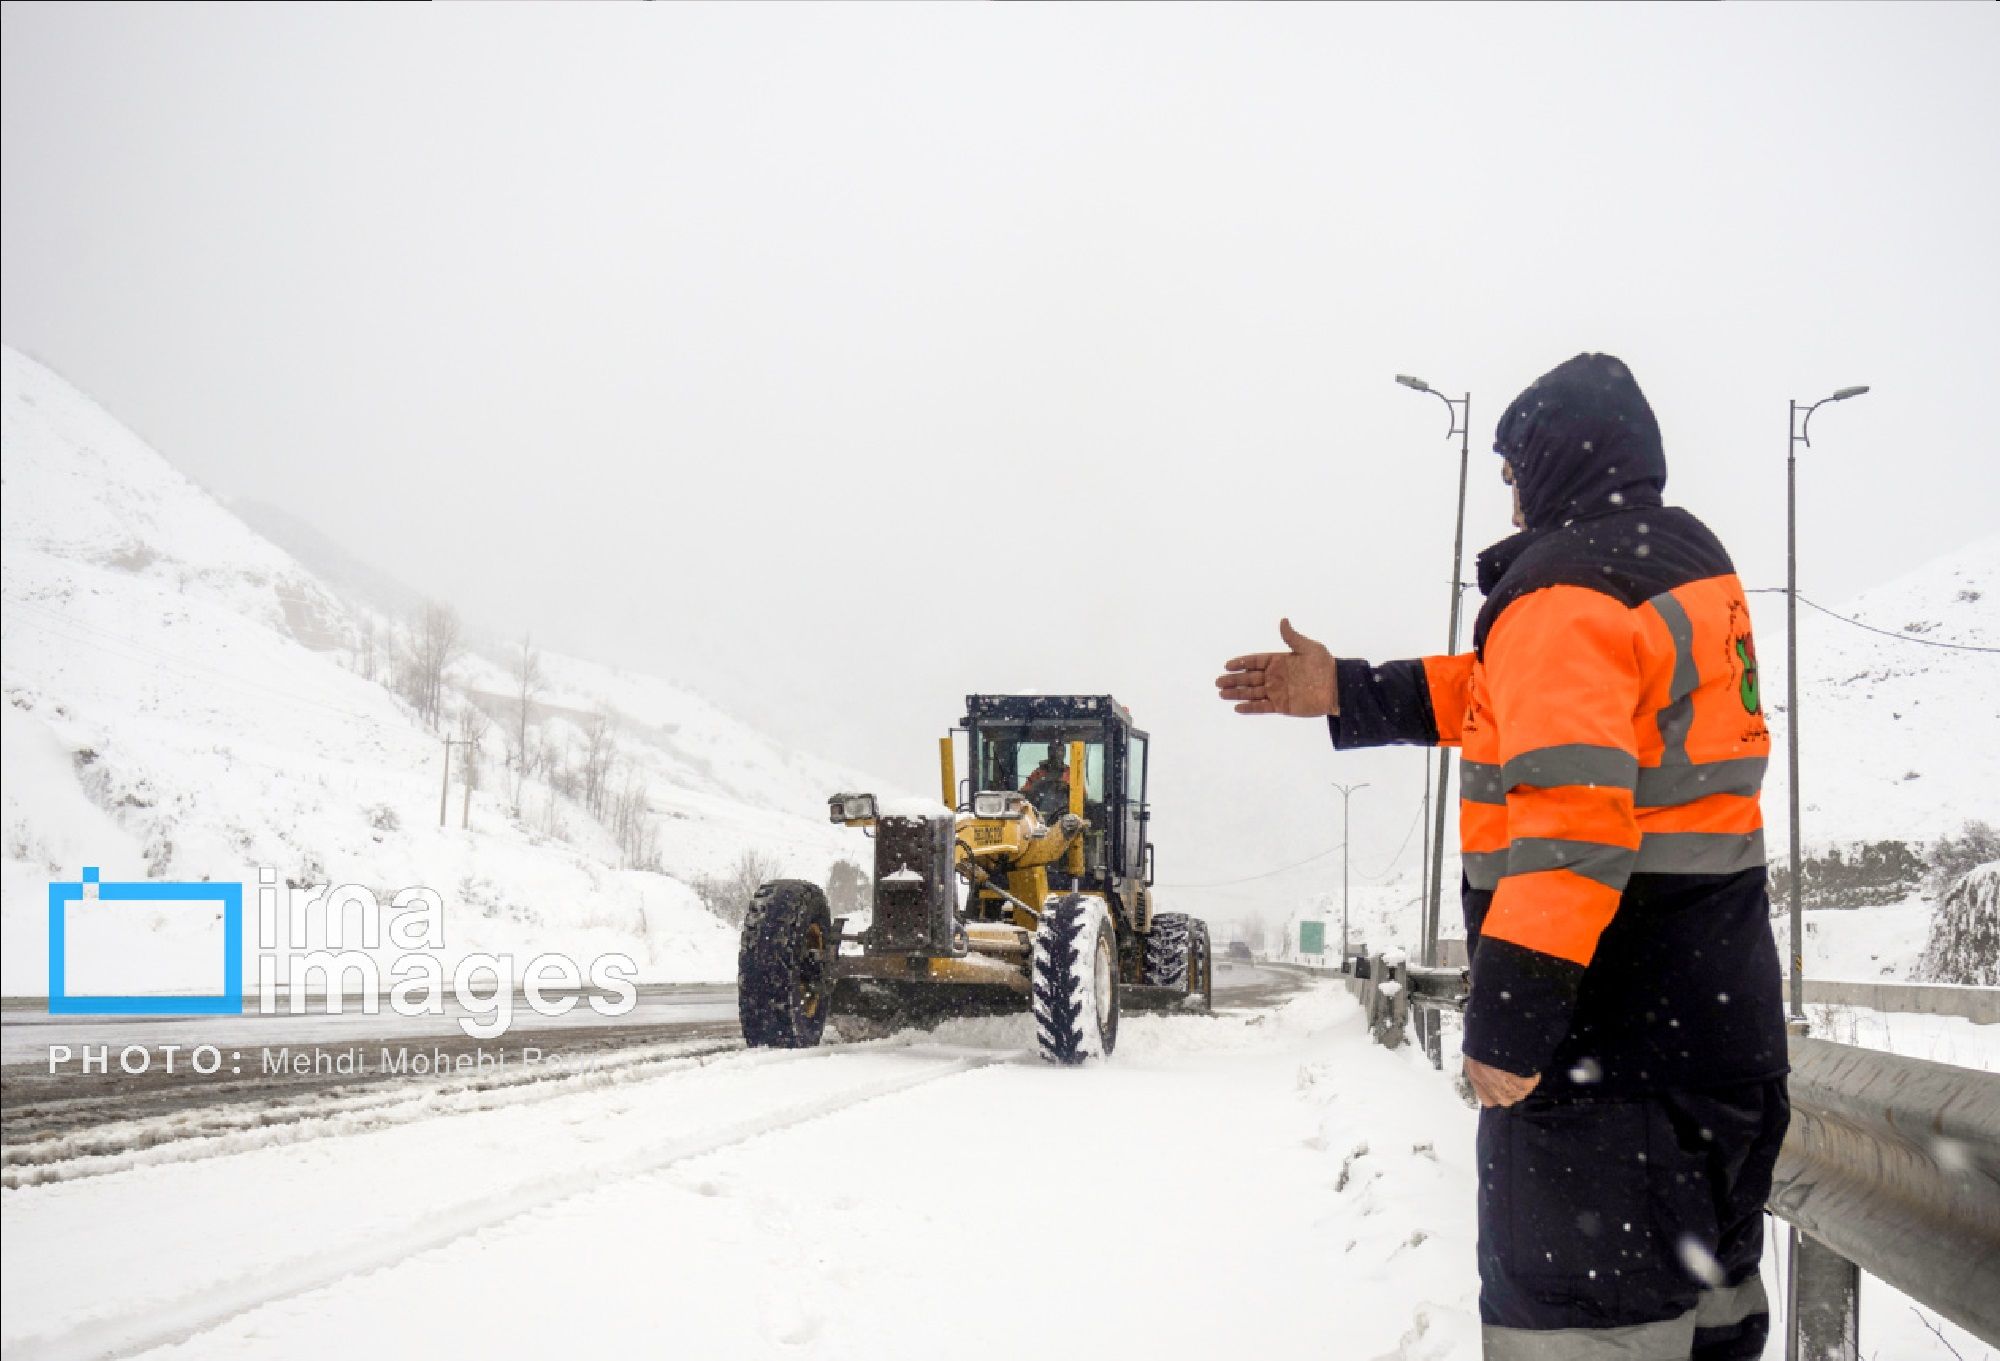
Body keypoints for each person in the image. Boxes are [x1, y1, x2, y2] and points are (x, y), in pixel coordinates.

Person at [1215, 353, 1788, 1361]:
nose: (1510, 497)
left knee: (1578, 1338)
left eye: (1511, 471)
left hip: (1606, 1063)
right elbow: (1503, 693)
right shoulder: (1679, 571)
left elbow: (1570, 826)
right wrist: (1349, 688)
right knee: (1706, 1328)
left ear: (1549, 461)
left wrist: (1510, 1027)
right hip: (1716, 1049)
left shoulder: (1563, 593)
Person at [1021, 744, 1071, 819]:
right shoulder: (1037, 773)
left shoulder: (1072, 774)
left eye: (1061, 750)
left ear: (1065, 753)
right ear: (1049, 752)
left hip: (1068, 818)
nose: (1058, 754)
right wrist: (1040, 784)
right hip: (1038, 817)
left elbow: (1082, 797)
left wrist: (1066, 787)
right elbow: (1024, 795)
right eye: (1054, 751)